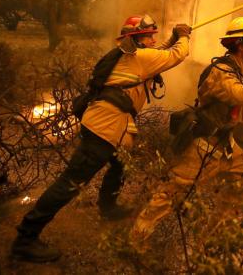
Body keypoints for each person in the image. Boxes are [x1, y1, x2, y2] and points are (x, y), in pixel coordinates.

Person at [11, 15, 192, 262]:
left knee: (120, 165)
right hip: (104, 128)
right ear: (137, 38)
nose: (154, 39)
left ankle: (108, 208)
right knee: (70, 183)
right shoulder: (140, 58)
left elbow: (158, 53)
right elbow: (174, 56)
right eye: (149, 35)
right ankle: (25, 240)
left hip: (111, 127)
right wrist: (183, 37)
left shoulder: (131, 56)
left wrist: (171, 38)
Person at [129, 16, 243, 250]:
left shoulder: (241, 66)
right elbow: (242, 94)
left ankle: (214, 238)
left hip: (224, 145)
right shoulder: (221, 72)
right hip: (203, 147)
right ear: (240, 44)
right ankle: (136, 241)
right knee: (172, 193)